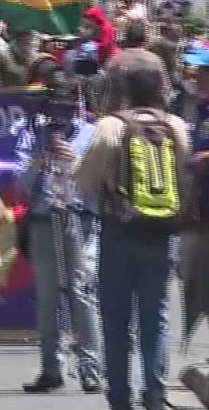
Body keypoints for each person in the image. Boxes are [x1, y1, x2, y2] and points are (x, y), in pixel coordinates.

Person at [79, 64, 189, 410]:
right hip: (162, 233)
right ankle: (155, 393)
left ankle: (120, 396)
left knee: (115, 317)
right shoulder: (175, 126)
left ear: (124, 93)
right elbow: (184, 180)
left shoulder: (111, 126)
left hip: (119, 231)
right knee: (155, 316)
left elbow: (86, 181)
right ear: (159, 91)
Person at [13, 69, 102, 394]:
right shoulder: (30, 134)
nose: (59, 115)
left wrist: (76, 162)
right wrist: (39, 159)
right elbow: (21, 185)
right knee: (47, 297)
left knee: (81, 293)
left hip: (78, 220)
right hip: (43, 219)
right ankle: (51, 368)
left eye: (66, 107)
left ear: (76, 104)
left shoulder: (91, 134)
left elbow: (100, 183)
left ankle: (90, 367)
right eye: (54, 107)